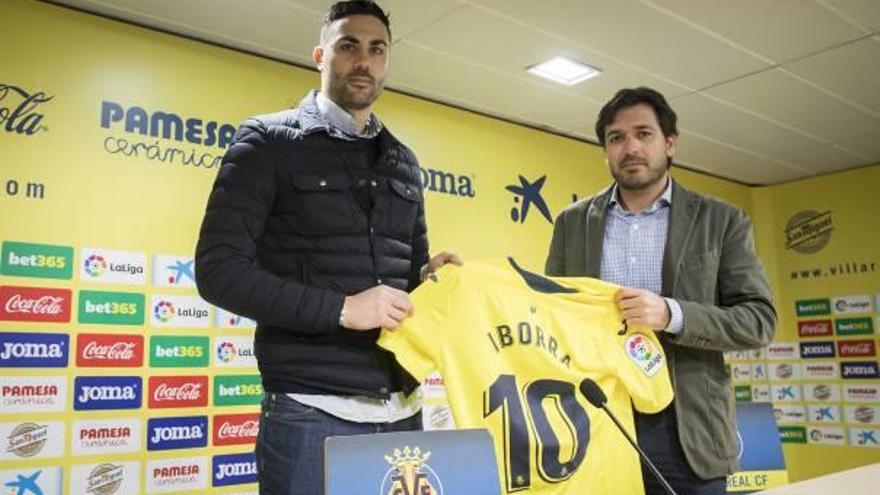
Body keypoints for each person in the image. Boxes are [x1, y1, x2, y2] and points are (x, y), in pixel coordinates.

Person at [194, 2, 459, 494]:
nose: (363, 60)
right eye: (348, 46)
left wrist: (434, 280)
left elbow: (407, 280)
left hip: (403, 410)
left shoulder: (404, 161)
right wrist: (342, 309)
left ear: (387, 63)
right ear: (320, 55)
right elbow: (218, 271)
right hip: (311, 415)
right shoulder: (266, 141)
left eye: (376, 49)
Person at [545, 87, 776, 495]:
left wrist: (673, 314)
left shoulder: (721, 220)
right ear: (605, 151)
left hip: (687, 433)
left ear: (670, 143)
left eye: (643, 134)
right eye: (616, 138)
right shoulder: (571, 224)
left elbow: (759, 320)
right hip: (601, 423)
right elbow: (552, 313)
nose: (630, 147)